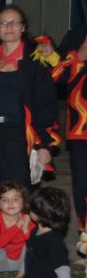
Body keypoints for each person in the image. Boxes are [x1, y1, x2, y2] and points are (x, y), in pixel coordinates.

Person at [0, 5, 58, 201]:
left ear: (23, 27)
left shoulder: (35, 62)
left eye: (14, 22)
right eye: (4, 23)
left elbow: (46, 106)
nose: (9, 27)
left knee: (19, 193)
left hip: (17, 136)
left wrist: (44, 144)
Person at [0, 187, 86, 278]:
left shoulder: (53, 242)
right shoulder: (34, 231)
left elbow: (64, 273)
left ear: (41, 213)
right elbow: (28, 256)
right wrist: (18, 277)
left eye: (32, 207)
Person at [51, 23, 87, 232]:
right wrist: (79, 56)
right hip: (81, 128)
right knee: (82, 185)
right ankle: (85, 234)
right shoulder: (77, 35)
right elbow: (55, 76)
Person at [0, 181, 35, 278]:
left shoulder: (28, 219)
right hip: (2, 263)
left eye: (15, 199)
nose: (10, 203)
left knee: (32, 245)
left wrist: (25, 227)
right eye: (5, 200)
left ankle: (24, 274)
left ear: (23, 202)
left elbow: (32, 244)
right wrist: (17, 226)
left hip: (22, 263)